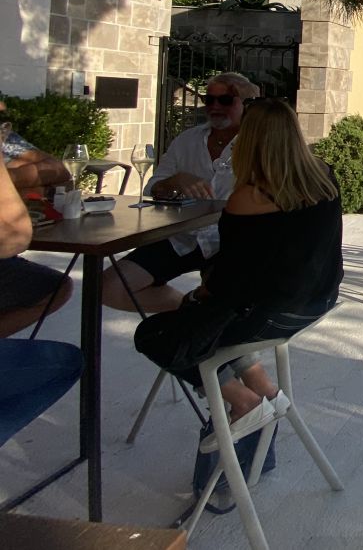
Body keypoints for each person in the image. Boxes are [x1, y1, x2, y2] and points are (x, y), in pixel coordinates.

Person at [134, 98, 343, 449]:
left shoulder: (251, 196)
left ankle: (241, 401)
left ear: (250, 140)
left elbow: (230, 278)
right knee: (205, 323)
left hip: (270, 312)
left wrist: (201, 292)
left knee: (153, 334)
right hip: (315, 301)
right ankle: (265, 392)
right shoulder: (323, 177)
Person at [103, 72, 260, 313]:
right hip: (183, 236)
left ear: (247, 104)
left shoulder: (260, 144)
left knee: (224, 301)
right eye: (210, 100)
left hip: (233, 241)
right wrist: (175, 181)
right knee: (109, 287)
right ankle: (186, 309)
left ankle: (224, 342)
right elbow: (151, 188)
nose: (215, 107)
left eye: (226, 100)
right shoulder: (188, 140)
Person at [0, 110, 73, 337]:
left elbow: (59, 170)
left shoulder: (7, 139)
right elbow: (13, 239)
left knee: (55, 286)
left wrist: (10, 179)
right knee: (55, 287)